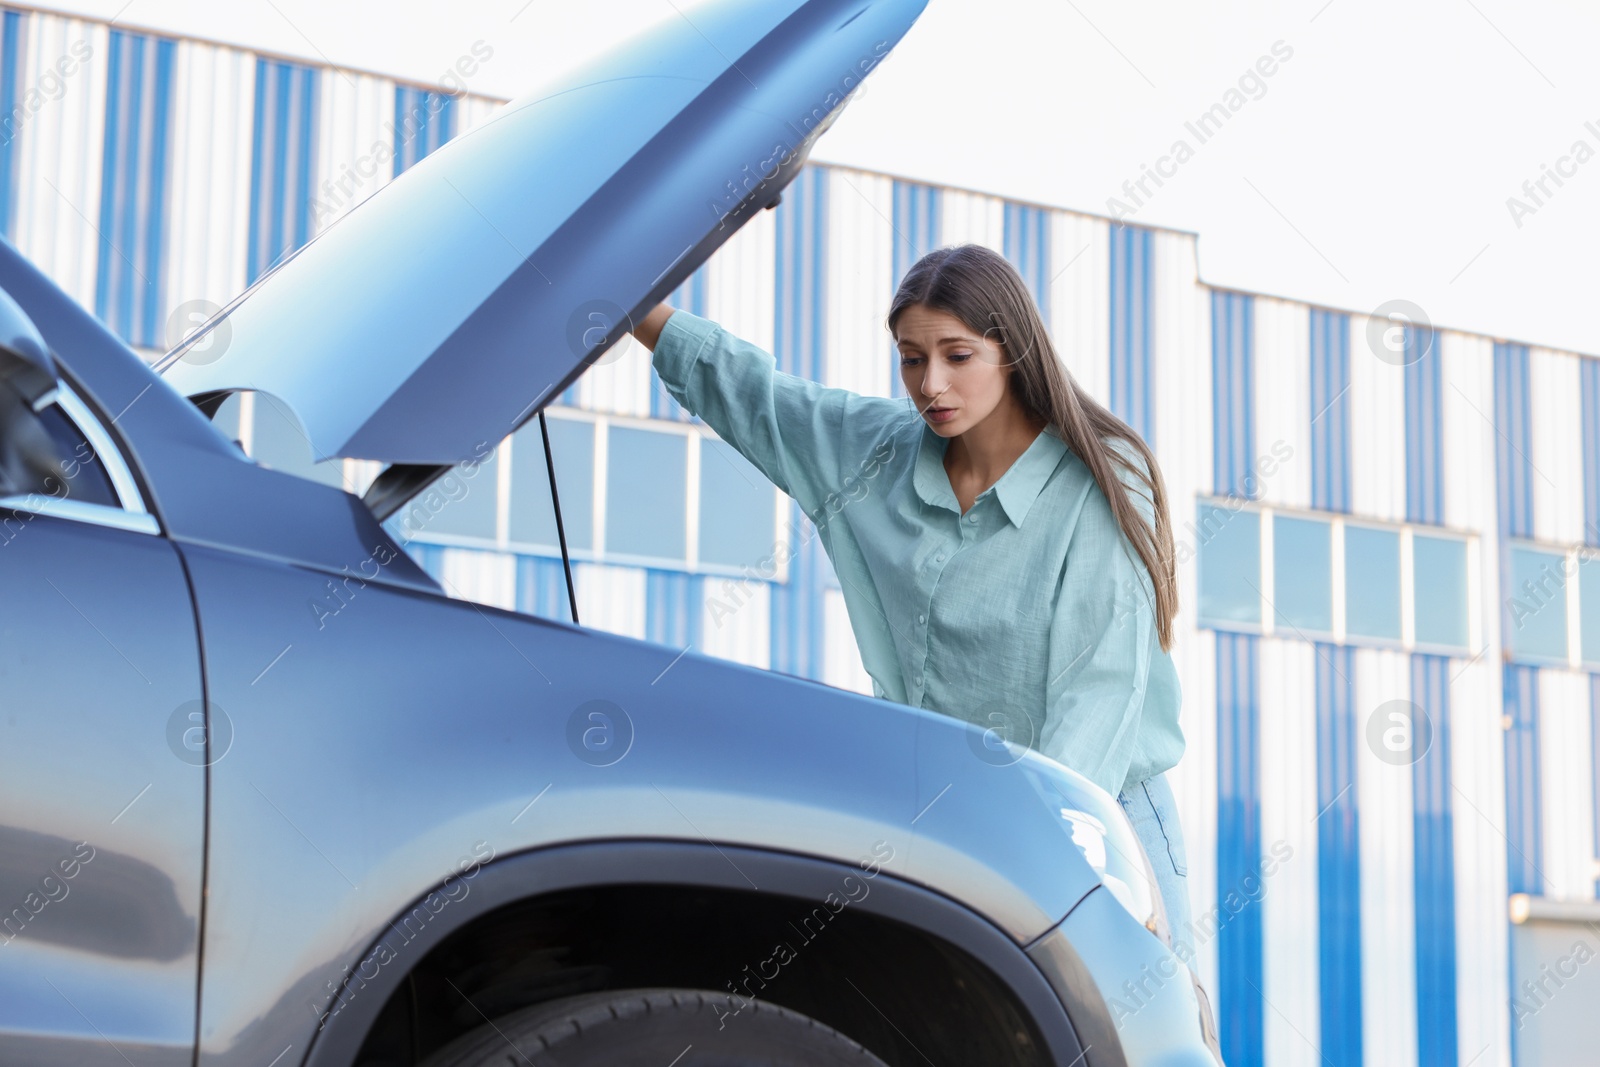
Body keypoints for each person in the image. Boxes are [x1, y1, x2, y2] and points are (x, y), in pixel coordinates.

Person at [629, 242, 1191, 936]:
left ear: (1011, 352)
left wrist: (1041, 856)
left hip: (1096, 827)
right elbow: (762, 398)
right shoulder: (879, 452)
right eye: (911, 357)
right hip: (957, 823)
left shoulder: (1099, 483)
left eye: (958, 356)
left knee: (1123, 1040)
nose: (930, 385)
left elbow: (1096, 696)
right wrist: (629, 309)